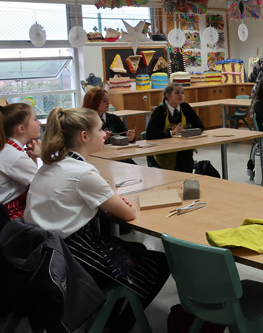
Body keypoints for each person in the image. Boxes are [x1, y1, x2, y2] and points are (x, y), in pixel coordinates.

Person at [24, 107, 169, 332]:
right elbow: (128, 214)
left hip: (45, 255)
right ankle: (116, 325)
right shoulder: (83, 172)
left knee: (137, 249)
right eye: (100, 130)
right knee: (158, 262)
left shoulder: (51, 165)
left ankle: (110, 314)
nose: (104, 134)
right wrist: (110, 202)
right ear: (84, 136)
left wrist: (103, 205)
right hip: (74, 258)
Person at [146, 83, 204, 172]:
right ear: (168, 95)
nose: (181, 95)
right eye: (177, 93)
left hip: (182, 148)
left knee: (186, 152)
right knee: (184, 157)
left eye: (182, 93)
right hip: (164, 151)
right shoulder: (160, 111)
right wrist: (172, 132)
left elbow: (200, 126)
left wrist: (183, 131)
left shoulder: (185, 107)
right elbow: (150, 134)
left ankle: (185, 180)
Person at [0, 103, 41, 219]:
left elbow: (31, 178)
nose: (39, 123)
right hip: (6, 219)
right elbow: (44, 184)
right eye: (35, 119)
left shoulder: (8, 148)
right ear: (21, 129)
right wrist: (43, 155)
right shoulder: (15, 157)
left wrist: (33, 157)